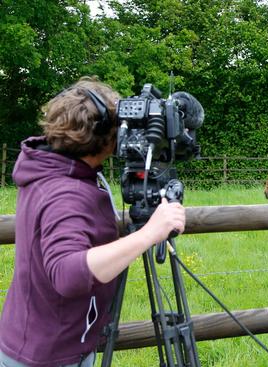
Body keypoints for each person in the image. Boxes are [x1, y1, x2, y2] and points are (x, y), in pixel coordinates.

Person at [0, 77, 186, 367]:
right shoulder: (66, 192)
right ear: (100, 133)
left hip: (43, 340)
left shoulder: (52, 168)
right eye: (119, 125)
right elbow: (67, 274)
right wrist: (149, 233)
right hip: (49, 355)